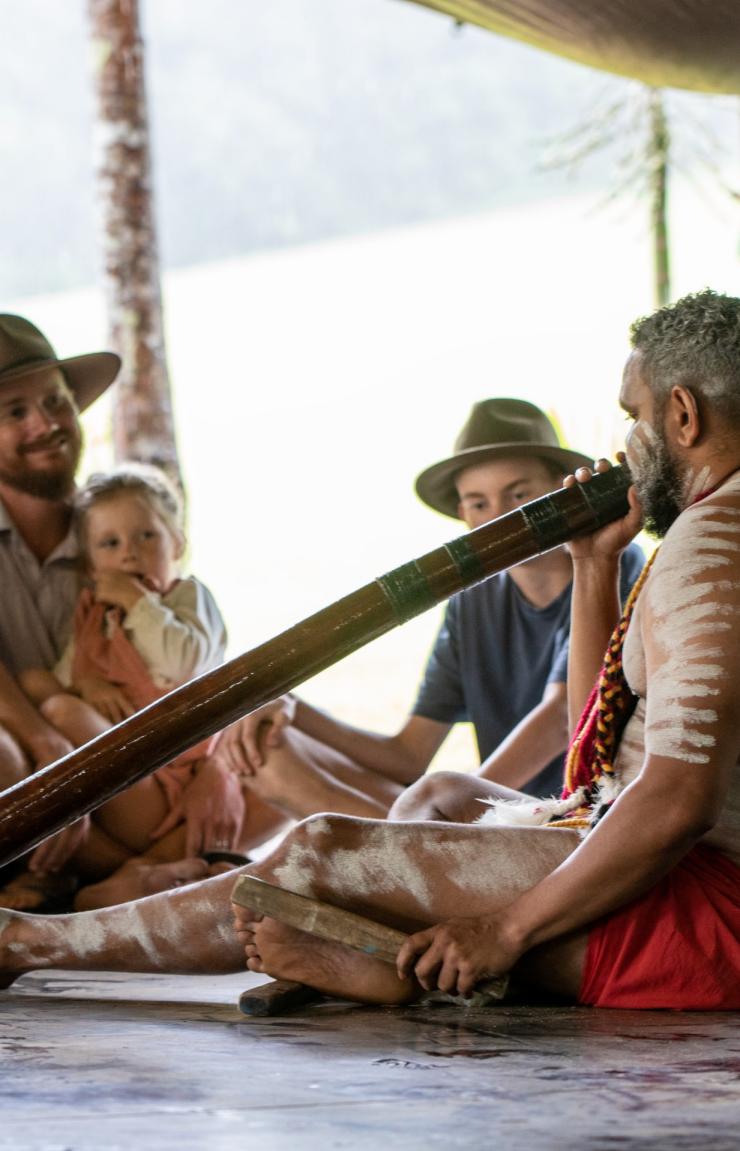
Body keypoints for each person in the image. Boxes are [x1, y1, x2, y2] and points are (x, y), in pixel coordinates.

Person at [1, 289, 737, 1013]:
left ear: (683, 413)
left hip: (702, 912)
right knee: (441, 796)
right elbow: (593, 762)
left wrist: (504, 930)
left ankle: (26, 942)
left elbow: (676, 802)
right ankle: (378, 955)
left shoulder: (709, 550)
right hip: (654, 867)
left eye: (634, 416)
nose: (626, 443)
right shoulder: (704, 533)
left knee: (323, 851)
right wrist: (592, 564)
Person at [218, 400, 643, 828]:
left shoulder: (610, 560)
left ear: (560, 491)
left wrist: (457, 803)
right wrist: (289, 704)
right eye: (479, 504)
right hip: (480, 811)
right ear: (463, 514)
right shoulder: (473, 601)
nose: (504, 518)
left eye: (519, 495)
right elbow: (408, 755)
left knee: (433, 800)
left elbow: (563, 719)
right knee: (267, 751)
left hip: (569, 813)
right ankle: (419, 840)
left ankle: (424, 839)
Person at [0, 315, 276, 911]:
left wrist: (220, 765)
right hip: (43, 740)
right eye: (14, 412)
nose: (45, 424)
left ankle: (118, 881)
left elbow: (196, 655)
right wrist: (50, 746)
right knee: (9, 753)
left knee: (272, 741)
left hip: (140, 746)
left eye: (56, 402)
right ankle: (120, 880)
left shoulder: (114, 526)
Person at [13, 464, 249, 910]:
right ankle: (138, 872)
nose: (130, 555)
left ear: (177, 544)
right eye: (111, 544)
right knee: (61, 708)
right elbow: (57, 681)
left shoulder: (188, 599)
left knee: (63, 711)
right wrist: (87, 684)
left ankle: (126, 877)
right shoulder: (94, 618)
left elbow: (184, 661)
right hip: (132, 784)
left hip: (183, 778)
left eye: (147, 536)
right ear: (90, 566)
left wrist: (137, 601)